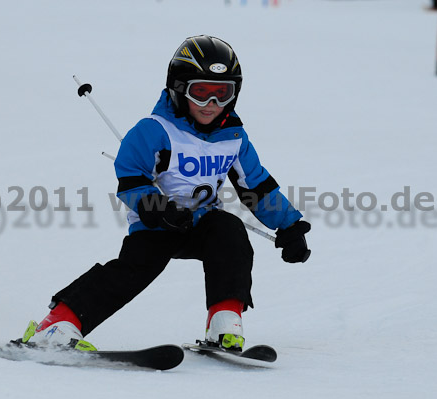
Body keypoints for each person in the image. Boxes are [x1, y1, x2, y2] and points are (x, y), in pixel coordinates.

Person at [19, 35, 312, 352]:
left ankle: (225, 322)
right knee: (135, 269)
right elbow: (130, 176)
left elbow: (256, 184)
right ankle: (57, 325)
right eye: (200, 92)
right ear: (178, 87)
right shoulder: (155, 130)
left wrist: (289, 225)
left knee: (231, 235)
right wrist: (156, 207)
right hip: (157, 222)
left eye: (221, 93)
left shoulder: (234, 137)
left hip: (202, 223)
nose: (210, 104)